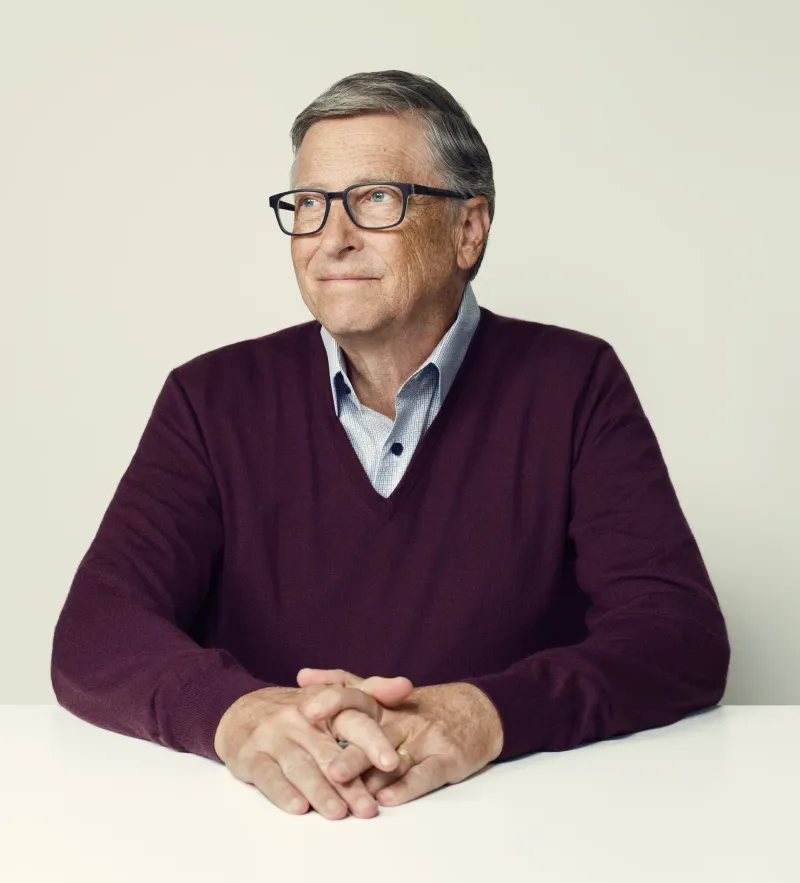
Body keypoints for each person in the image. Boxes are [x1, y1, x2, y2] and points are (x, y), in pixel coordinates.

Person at [51, 69, 730, 821]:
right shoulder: (209, 397)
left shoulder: (575, 383)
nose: (333, 238)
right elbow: (96, 629)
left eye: (376, 199)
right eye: (310, 204)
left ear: (468, 229)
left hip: (512, 823)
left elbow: (679, 637)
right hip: (262, 829)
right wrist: (238, 715)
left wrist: (482, 714)